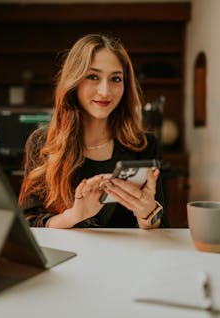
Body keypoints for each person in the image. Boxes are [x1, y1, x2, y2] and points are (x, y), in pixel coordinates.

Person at [18, 33, 169, 229]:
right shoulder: (41, 143)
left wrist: (147, 214)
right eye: (93, 77)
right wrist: (74, 215)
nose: (105, 91)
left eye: (115, 79)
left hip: (127, 258)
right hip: (69, 258)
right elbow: (29, 224)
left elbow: (163, 228)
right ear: (74, 81)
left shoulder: (145, 146)